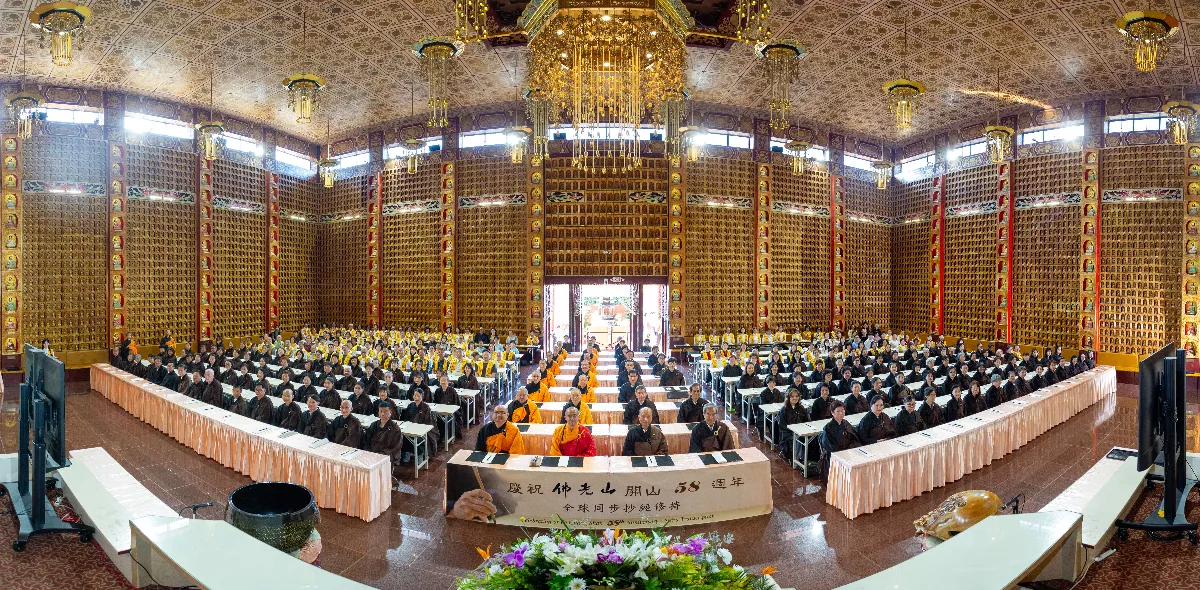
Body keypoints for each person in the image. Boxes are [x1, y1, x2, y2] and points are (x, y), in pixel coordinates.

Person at [819, 400, 861, 482]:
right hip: (835, 455)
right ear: (832, 413)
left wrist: (851, 449)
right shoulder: (828, 428)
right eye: (838, 411)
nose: (841, 413)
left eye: (842, 410)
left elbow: (854, 438)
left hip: (847, 452)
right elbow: (828, 446)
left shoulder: (846, 423)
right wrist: (842, 454)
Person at [399, 388, 440, 461]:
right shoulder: (411, 405)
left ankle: (419, 454)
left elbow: (428, 422)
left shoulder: (426, 407)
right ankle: (407, 452)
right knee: (403, 436)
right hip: (410, 427)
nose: (416, 398)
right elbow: (406, 418)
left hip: (421, 429)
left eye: (418, 396)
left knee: (418, 438)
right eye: (414, 395)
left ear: (422, 396)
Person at [364, 403, 405, 472]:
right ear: (378, 413)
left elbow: (396, 446)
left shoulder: (395, 428)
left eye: (385, 411)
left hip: (386, 454)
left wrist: (381, 454)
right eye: (381, 411)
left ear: (390, 413)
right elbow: (366, 440)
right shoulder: (374, 425)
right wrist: (369, 451)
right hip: (372, 452)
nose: (383, 414)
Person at [779, 386, 810, 457]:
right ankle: (798, 459)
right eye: (792, 396)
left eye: (797, 396)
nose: (795, 398)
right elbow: (782, 425)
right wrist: (794, 431)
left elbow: (807, 421)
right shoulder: (784, 409)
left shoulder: (801, 408)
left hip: (802, 431)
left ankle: (809, 459)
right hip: (789, 433)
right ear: (788, 398)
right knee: (797, 438)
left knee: (813, 438)